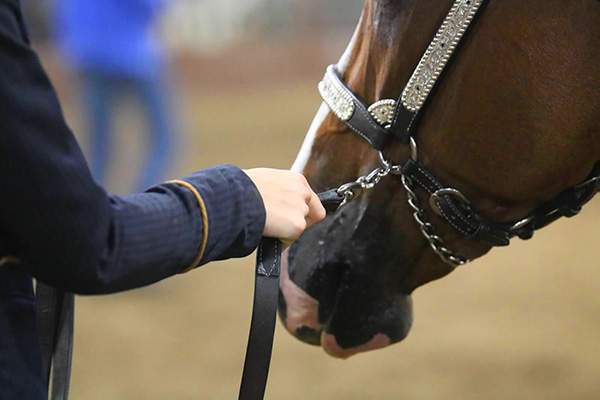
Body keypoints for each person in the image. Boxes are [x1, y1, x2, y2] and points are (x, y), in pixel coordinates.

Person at [0, 1, 325, 399]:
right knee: (164, 137)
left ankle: (122, 218)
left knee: (97, 148)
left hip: (84, 47)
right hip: (130, 50)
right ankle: (143, 235)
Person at [53, 0, 177, 191]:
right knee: (164, 136)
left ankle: (87, 207)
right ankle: (142, 202)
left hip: (86, 55)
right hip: (132, 57)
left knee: (99, 146)